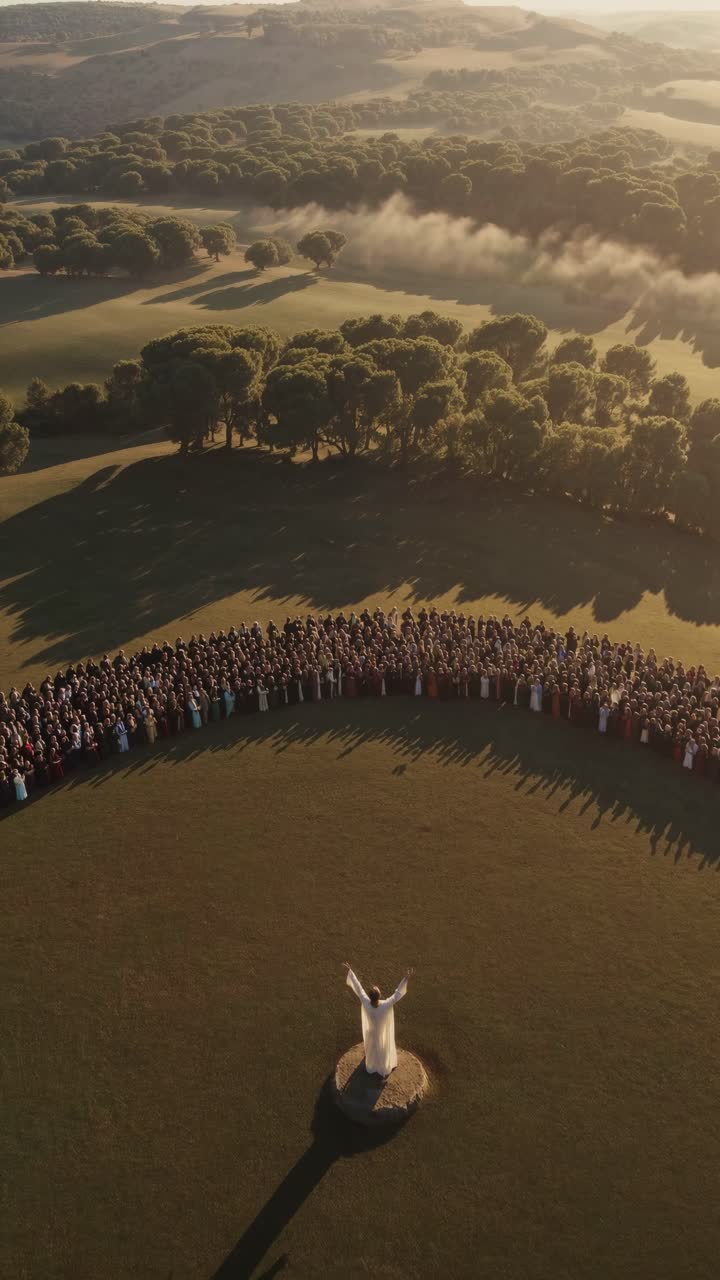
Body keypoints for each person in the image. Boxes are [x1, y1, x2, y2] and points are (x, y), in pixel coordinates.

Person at [343, 962, 413, 1078]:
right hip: (381, 1033)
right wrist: (405, 978)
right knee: (382, 1049)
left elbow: (359, 989)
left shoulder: (366, 1003)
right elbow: (397, 994)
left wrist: (350, 972)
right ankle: (382, 1067)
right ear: (379, 995)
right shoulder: (385, 1005)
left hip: (371, 1032)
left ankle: (372, 1066)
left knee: (372, 1049)